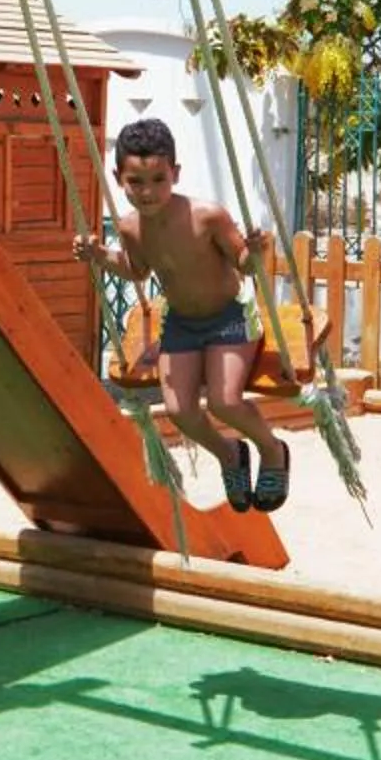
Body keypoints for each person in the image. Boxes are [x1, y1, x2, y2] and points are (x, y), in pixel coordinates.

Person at [75, 117, 295, 512]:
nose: (147, 192)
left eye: (158, 179)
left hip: (229, 318)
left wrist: (257, 251)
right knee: (179, 411)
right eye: (136, 182)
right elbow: (137, 270)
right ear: (119, 179)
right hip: (181, 322)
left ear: (175, 173)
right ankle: (230, 454)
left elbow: (244, 265)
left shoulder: (207, 216)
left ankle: (272, 449)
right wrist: (100, 256)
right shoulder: (130, 228)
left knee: (224, 403)